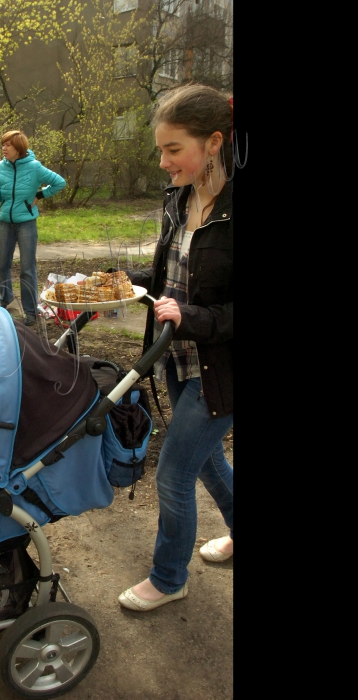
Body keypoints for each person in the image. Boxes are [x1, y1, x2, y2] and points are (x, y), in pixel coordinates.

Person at [117, 84, 234, 612]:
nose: (164, 163)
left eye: (173, 150)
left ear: (213, 143)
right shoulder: (179, 198)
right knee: (205, 462)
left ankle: (168, 578)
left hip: (222, 367)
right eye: (160, 150)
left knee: (173, 473)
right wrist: (121, 283)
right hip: (178, 355)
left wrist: (189, 318)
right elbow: (172, 276)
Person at [0, 130, 65, 326]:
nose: (4, 148)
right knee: (1, 264)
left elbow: (59, 182)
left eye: (8, 145)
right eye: (3, 145)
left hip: (26, 223)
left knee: (27, 268)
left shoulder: (34, 167)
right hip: (5, 222)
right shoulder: (0, 167)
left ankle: (31, 311)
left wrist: (40, 196)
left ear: (19, 148)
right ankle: (5, 301)